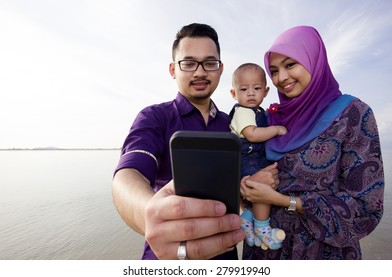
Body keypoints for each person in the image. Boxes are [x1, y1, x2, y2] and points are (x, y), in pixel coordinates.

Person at [112, 23, 279, 260]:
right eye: (188, 63)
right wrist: (148, 215)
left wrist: (251, 185)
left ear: (220, 70)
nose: (200, 72)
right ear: (172, 69)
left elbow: (239, 188)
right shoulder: (155, 117)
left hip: (226, 256)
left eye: (209, 63)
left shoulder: (231, 124)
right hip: (167, 256)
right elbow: (128, 174)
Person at [240, 26, 384, 260]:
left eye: (290, 65)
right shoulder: (265, 120)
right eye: (274, 70)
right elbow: (242, 162)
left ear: (314, 60)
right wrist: (245, 185)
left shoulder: (352, 115)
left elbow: (366, 208)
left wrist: (285, 201)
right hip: (265, 252)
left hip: (324, 254)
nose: (281, 78)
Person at [229, 63, 287, 250]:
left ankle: (246, 219)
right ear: (233, 94)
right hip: (249, 159)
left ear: (265, 91)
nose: (251, 93)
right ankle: (262, 227)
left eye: (257, 88)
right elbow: (252, 135)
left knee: (260, 190)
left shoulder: (257, 112)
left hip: (255, 158)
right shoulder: (243, 112)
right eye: (244, 89)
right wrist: (276, 129)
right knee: (262, 191)